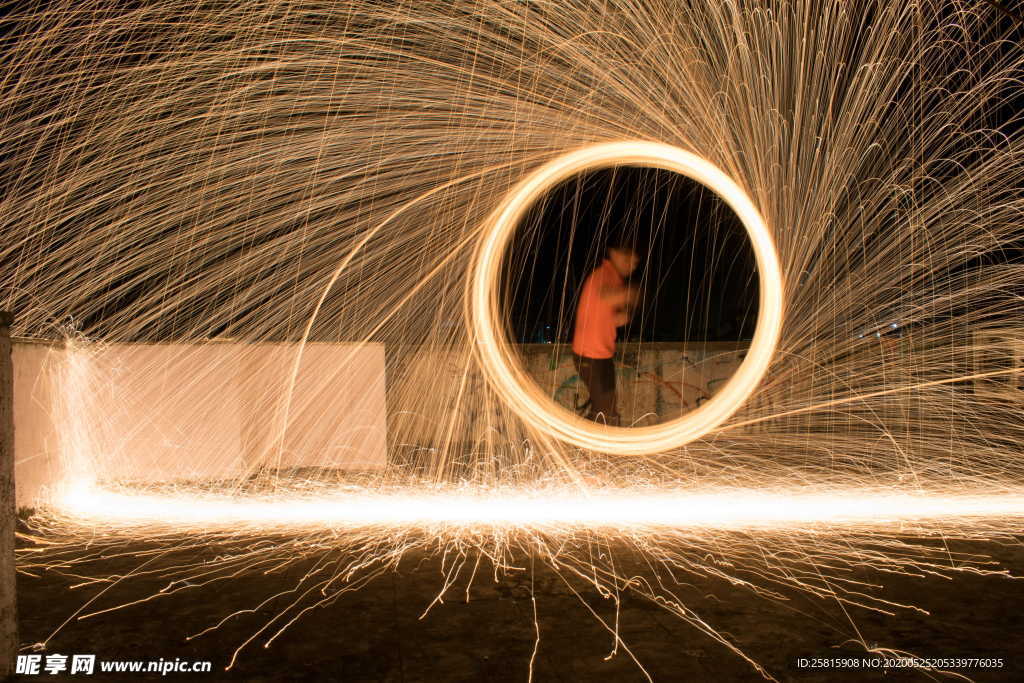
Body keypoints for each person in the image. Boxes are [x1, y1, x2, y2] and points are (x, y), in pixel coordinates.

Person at [571, 243, 640, 425]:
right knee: (606, 412)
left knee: (604, 409)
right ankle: (590, 445)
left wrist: (624, 314)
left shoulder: (614, 278)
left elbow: (612, 317)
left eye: (635, 261)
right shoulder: (604, 274)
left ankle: (582, 440)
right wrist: (632, 294)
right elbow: (606, 295)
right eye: (628, 258)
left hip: (602, 355)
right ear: (613, 253)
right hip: (590, 356)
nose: (632, 264)